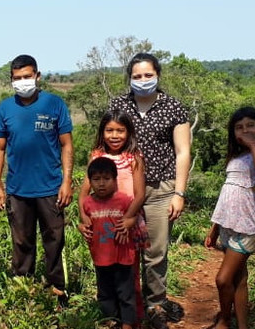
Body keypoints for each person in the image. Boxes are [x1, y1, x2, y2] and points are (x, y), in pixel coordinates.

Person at [109, 53, 191, 329]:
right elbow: (109, 141)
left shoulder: (173, 107)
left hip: (160, 189)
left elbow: (182, 152)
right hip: (124, 190)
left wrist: (179, 193)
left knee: (156, 250)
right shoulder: (119, 104)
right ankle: (128, 306)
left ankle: (156, 304)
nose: (142, 80)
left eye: (147, 75)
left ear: (157, 75)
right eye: (136, 76)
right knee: (124, 248)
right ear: (129, 78)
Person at [0, 54, 74, 308]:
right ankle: (23, 290)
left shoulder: (54, 104)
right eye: (17, 78)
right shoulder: (5, 108)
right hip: (17, 189)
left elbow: (67, 145)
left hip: (50, 187)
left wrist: (67, 180)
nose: (23, 82)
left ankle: (57, 289)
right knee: (21, 242)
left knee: (54, 240)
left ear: (38, 76)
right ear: (11, 80)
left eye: (27, 77)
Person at [204, 106, 255, 329]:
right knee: (239, 279)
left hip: (247, 225)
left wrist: (253, 143)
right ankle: (243, 325)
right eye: (239, 127)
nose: (245, 130)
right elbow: (227, 192)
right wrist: (215, 228)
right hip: (228, 224)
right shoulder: (236, 155)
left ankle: (225, 320)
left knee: (222, 279)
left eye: (250, 125)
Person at [77, 110, 147, 326]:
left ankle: (133, 319)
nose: (114, 135)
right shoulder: (97, 156)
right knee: (106, 272)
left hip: (127, 222)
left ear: (129, 133)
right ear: (102, 132)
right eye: (109, 130)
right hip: (101, 224)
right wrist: (82, 218)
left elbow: (140, 193)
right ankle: (112, 318)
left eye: (120, 130)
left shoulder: (134, 158)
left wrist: (129, 218)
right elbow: (83, 194)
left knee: (129, 273)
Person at [82, 157, 137, 329]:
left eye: (106, 179)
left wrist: (130, 221)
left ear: (115, 180)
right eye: (96, 179)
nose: (101, 184)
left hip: (123, 257)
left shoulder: (124, 200)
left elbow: (134, 218)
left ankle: (128, 324)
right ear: (90, 182)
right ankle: (111, 322)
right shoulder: (88, 203)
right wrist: (80, 226)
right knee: (105, 293)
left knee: (125, 293)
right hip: (100, 258)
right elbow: (84, 223)